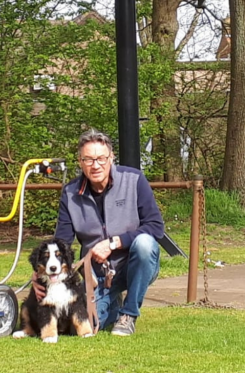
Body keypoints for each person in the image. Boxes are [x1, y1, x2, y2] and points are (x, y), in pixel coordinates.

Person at [49, 129, 165, 336]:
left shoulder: (134, 180)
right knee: (81, 326)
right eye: (88, 159)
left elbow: (156, 226)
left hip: (134, 266)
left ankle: (129, 314)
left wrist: (114, 243)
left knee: (145, 244)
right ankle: (111, 305)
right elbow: (62, 242)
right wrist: (46, 272)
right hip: (96, 274)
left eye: (101, 158)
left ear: (111, 158)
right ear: (80, 162)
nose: (95, 165)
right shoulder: (70, 192)